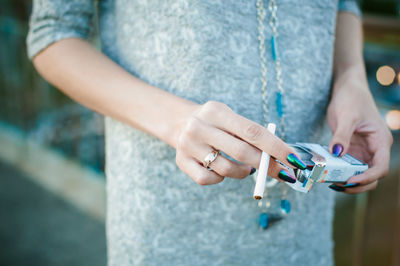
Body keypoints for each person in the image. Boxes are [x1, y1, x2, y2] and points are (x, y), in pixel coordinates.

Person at [27, 0, 393, 265]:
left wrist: (352, 78)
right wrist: (176, 121)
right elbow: (53, 32)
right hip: (174, 220)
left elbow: (344, 4)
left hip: (306, 221)